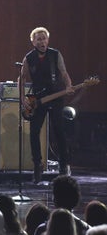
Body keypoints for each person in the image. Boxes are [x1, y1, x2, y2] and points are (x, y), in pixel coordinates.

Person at [21, 27, 74, 183]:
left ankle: (63, 165)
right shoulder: (28, 58)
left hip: (55, 95)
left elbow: (64, 73)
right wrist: (22, 97)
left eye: (44, 38)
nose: (42, 41)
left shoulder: (55, 55)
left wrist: (69, 85)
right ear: (33, 41)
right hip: (38, 99)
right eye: (39, 39)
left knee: (59, 130)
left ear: (48, 40)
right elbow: (22, 78)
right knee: (34, 131)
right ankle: (37, 165)